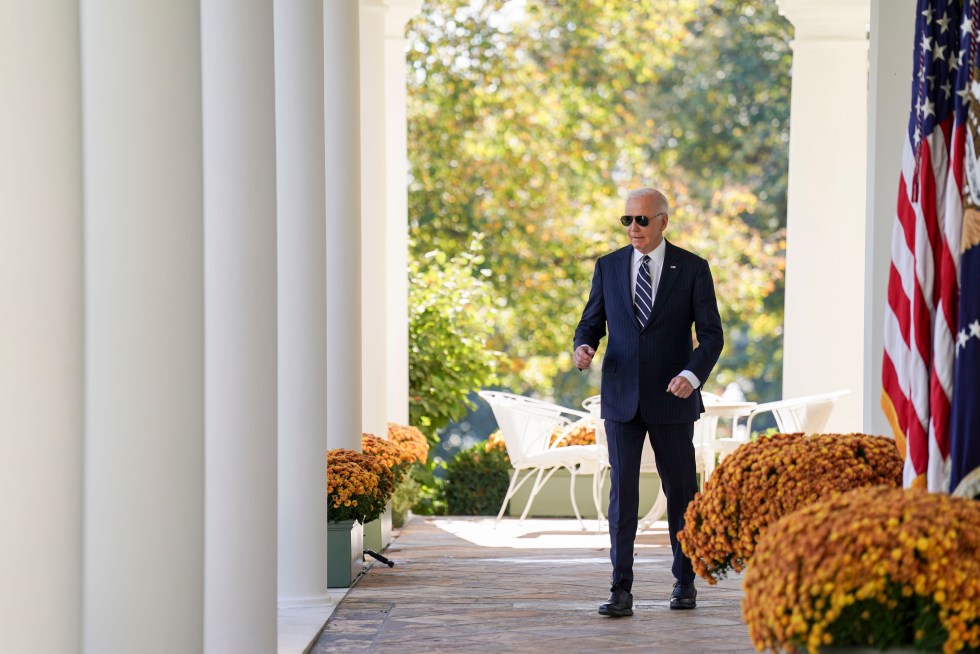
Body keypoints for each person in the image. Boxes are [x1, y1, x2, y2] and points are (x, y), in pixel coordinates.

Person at [573, 187, 723, 616]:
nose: (633, 229)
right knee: (623, 497)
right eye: (627, 221)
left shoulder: (693, 268)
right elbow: (590, 323)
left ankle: (685, 582)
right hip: (621, 398)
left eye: (641, 220)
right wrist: (583, 347)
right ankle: (620, 589)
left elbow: (712, 336)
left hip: (673, 399)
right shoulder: (608, 266)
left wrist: (691, 376)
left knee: (681, 493)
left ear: (662, 221)